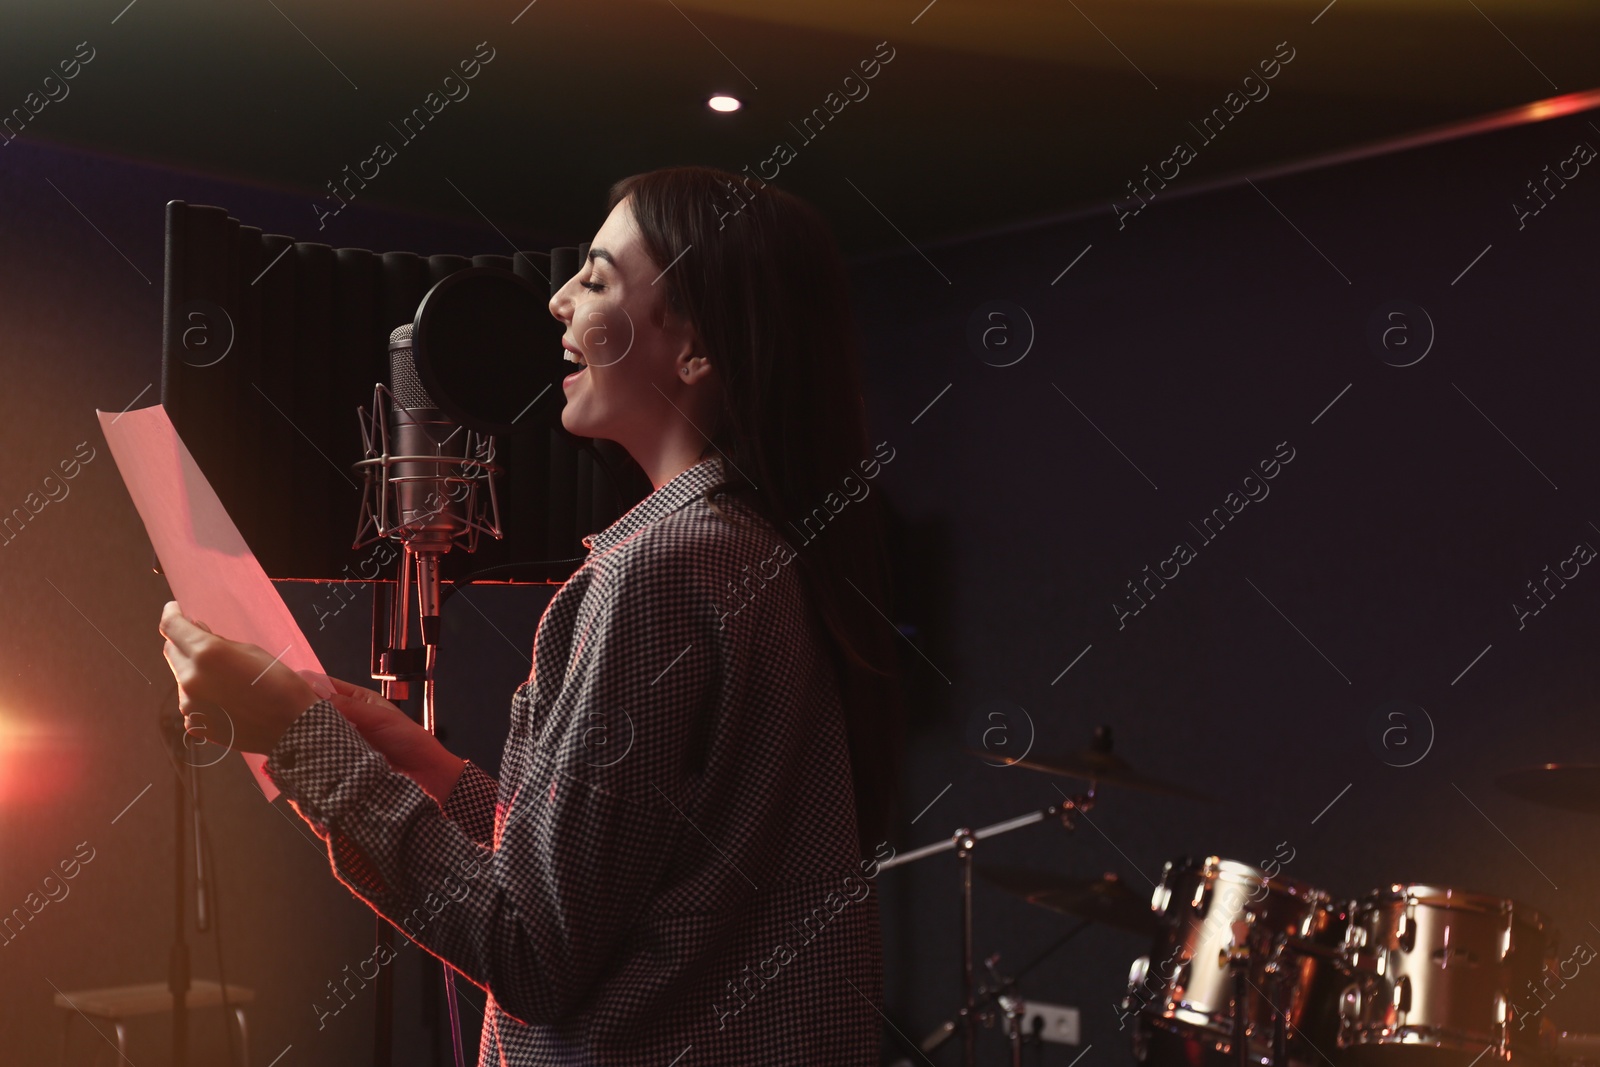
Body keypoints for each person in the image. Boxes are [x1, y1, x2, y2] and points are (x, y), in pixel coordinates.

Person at [158, 165, 906, 1065]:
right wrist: (414, 757)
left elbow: (531, 949)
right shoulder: (758, 547)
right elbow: (610, 885)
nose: (556, 301)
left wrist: (300, 738)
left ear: (697, 348)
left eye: (595, 278)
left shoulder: (656, 572)